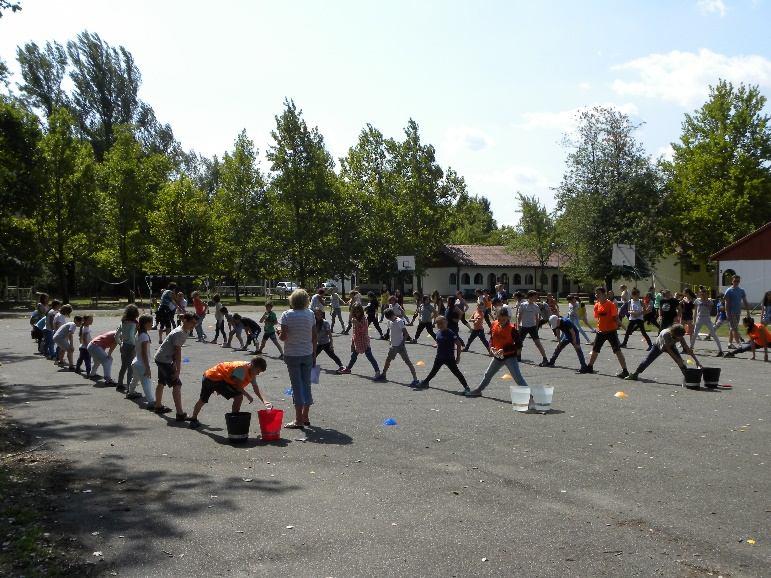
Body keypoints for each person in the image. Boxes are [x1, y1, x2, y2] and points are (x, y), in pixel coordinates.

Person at [189, 357, 271, 429]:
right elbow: (238, 386)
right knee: (238, 396)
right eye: (258, 371)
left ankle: (193, 419)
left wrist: (264, 401)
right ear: (253, 366)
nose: (258, 373)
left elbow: (256, 388)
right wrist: (247, 395)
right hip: (212, 378)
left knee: (203, 400)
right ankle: (234, 419)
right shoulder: (241, 368)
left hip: (215, 377)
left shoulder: (251, 371)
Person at [466, 308, 528, 397]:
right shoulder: (494, 324)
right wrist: (491, 347)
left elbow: (519, 346)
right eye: (499, 319)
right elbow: (492, 338)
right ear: (496, 317)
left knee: (518, 378)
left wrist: (504, 350)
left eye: (504, 319)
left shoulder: (512, 329)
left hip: (510, 357)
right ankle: (478, 390)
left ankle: (530, 398)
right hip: (498, 357)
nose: (501, 321)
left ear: (508, 318)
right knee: (488, 374)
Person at [279, 289, 317, 429]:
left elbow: (283, 337)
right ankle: (305, 415)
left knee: (296, 386)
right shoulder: (310, 314)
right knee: (306, 384)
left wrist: (279, 332)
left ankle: (298, 419)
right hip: (307, 352)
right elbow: (314, 336)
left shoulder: (287, 315)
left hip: (292, 354)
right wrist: (314, 354)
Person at [153, 312, 197, 420]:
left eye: (195, 323)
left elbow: (173, 349)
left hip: (162, 358)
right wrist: (178, 369)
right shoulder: (179, 333)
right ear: (185, 320)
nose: (194, 326)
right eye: (192, 323)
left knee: (161, 382)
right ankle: (180, 413)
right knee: (177, 384)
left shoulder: (185, 331)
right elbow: (177, 351)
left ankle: (158, 406)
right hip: (163, 359)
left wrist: (173, 363)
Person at [626, 324, 701, 380]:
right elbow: (668, 349)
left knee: (681, 362)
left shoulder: (680, 335)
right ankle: (635, 374)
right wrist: (678, 360)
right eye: (678, 337)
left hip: (670, 345)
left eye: (681, 337)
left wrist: (697, 362)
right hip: (659, 346)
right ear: (673, 334)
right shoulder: (666, 334)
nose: (680, 339)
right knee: (648, 360)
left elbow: (687, 349)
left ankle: (688, 378)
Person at [585, 286, 629, 378]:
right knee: (595, 350)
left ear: (604, 294)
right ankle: (590, 367)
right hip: (600, 332)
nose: (596, 295)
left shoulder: (610, 305)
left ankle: (625, 371)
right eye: (596, 293)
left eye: (598, 293)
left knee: (617, 351)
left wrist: (625, 328)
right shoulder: (597, 305)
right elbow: (598, 318)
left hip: (611, 331)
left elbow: (616, 318)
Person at [417, 316, 469, 392]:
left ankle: (466, 387)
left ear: (446, 323)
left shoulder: (450, 333)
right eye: (438, 324)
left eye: (442, 323)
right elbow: (439, 341)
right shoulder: (438, 333)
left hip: (449, 357)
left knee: (456, 372)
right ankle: (425, 382)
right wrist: (437, 344)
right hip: (439, 357)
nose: (440, 325)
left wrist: (458, 357)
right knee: (433, 371)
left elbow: (458, 344)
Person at [374, 308, 420, 386]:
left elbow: (406, 334)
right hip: (393, 346)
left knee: (408, 362)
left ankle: (415, 379)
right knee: (388, 360)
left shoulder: (399, 321)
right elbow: (392, 332)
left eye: (388, 317)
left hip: (400, 346)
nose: (388, 319)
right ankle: (383, 375)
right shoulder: (390, 322)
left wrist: (402, 343)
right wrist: (390, 341)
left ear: (391, 315)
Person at [338, 303, 381, 378]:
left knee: (370, 356)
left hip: (364, 341)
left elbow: (363, 330)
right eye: (355, 312)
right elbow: (354, 332)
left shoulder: (364, 319)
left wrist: (357, 323)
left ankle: (377, 371)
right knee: (353, 356)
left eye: (358, 311)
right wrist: (352, 343)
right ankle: (348, 369)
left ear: (361, 311)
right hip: (357, 341)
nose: (357, 313)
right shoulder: (354, 319)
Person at [127, 314, 155, 406]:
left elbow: (137, 350)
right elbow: (144, 353)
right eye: (151, 323)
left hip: (136, 362)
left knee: (135, 379)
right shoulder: (144, 336)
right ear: (146, 323)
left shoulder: (138, 334)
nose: (152, 324)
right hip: (141, 364)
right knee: (146, 382)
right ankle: (151, 402)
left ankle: (131, 392)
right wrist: (147, 367)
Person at [516, 290, 549, 366]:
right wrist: (518, 327)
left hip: (532, 327)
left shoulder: (536, 306)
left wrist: (536, 327)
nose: (536, 298)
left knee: (538, 343)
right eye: (535, 297)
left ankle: (545, 358)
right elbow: (519, 316)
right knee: (519, 343)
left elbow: (537, 317)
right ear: (530, 297)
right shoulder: (523, 305)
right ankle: (518, 356)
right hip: (523, 326)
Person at [690, 288, 723, 356]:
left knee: (713, 334)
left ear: (706, 293)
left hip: (707, 318)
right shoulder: (697, 300)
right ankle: (691, 348)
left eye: (704, 293)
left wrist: (706, 300)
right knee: (695, 334)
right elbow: (695, 311)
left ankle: (720, 350)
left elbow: (710, 309)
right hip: (699, 318)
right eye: (701, 293)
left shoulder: (709, 300)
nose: (702, 294)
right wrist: (694, 320)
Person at [115, 304, 139, 393]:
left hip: (123, 345)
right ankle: (129, 388)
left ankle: (119, 383)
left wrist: (120, 343)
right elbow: (131, 335)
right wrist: (135, 345)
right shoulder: (134, 324)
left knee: (123, 366)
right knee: (130, 368)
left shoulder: (123, 322)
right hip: (131, 346)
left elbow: (116, 336)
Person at [724, 275, 750, 348]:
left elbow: (745, 301)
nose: (736, 282)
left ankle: (729, 343)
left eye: (738, 281)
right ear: (732, 281)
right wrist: (727, 313)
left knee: (733, 328)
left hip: (738, 312)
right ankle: (739, 344)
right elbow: (727, 303)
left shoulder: (741, 290)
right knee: (735, 328)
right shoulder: (729, 290)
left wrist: (748, 312)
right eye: (735, 281)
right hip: (731, 312)